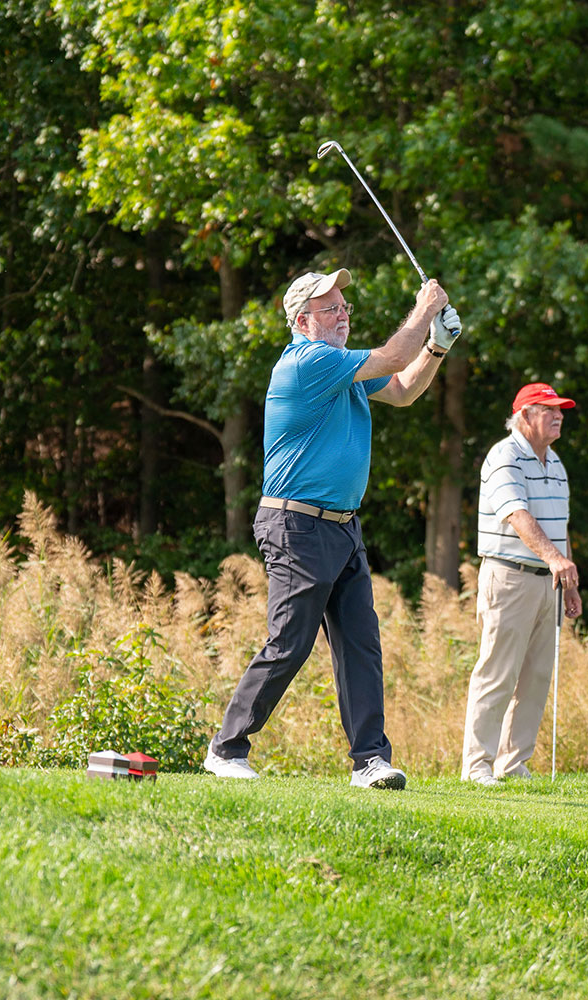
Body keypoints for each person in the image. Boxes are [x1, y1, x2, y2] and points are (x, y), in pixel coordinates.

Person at [203, 269, 460, 788]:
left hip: (342, 526)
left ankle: (370, 761)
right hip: (296, 523)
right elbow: (393, 358)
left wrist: (437, 346)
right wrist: (425, 309)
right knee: (291, 641)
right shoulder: (308, 363)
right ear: (303, 321)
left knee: (360, 643)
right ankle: (226, 749)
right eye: (331, 309)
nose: (343, 316)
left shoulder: (344, 370)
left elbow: (403, 390)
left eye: (344, 307)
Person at [460, 383, 583, 786]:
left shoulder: (556, 462)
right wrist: (555, 560)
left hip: (548, 581)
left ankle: (512, 763)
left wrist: (569, 580)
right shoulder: (505, 456)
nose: (559, 416)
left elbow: (559, 526)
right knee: (497, 673)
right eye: (549, 410)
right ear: (525, 415)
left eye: (560, 410)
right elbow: (516, 514)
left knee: (536, 676)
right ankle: (477, 765)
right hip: (509, 576)